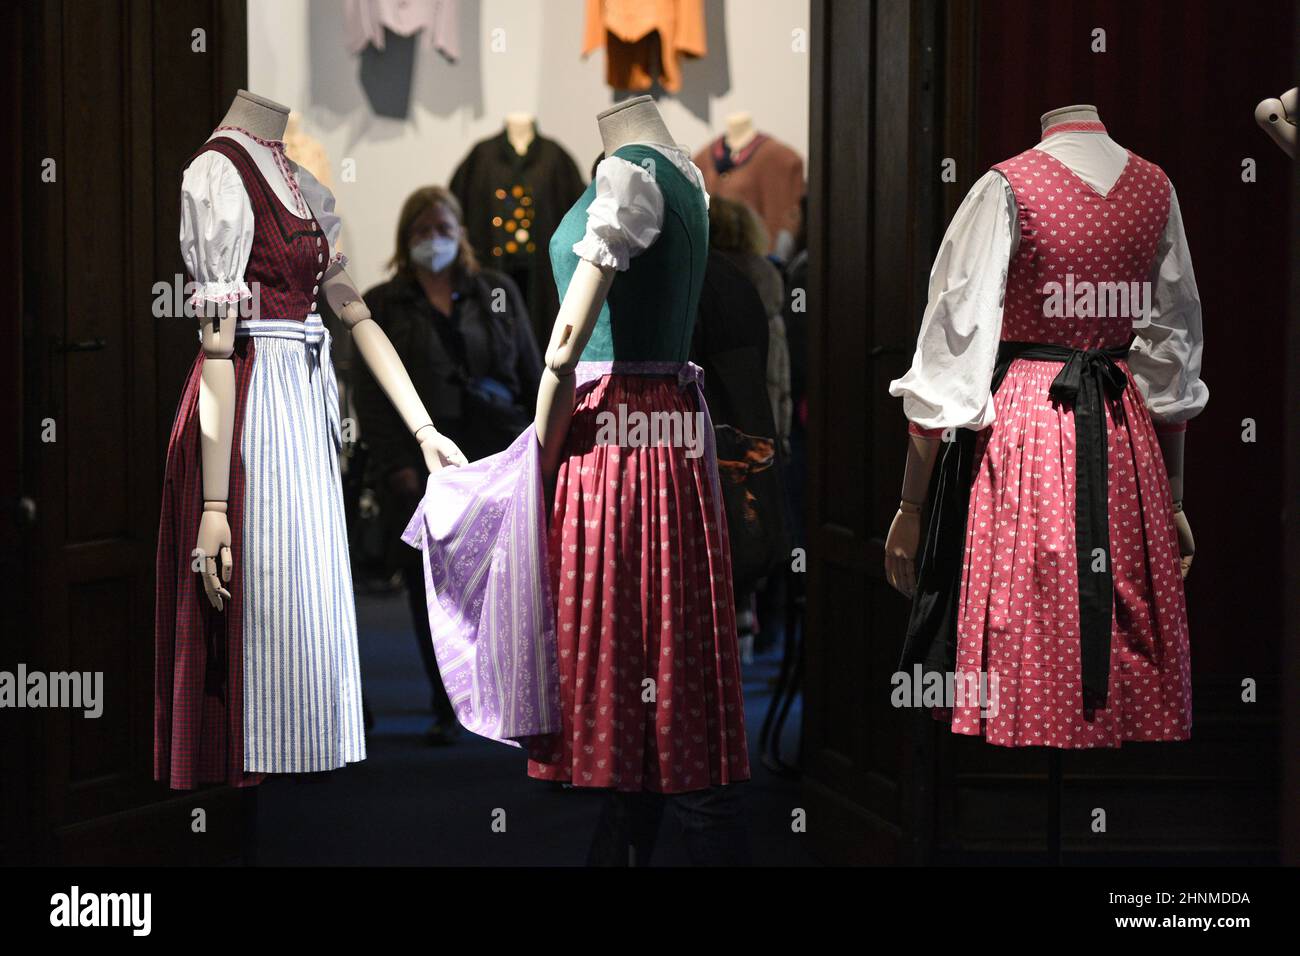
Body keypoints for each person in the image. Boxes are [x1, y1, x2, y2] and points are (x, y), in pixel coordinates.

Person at [353, 185, 543, 743]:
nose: (433, 240)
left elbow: (532, 373)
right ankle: (448, 703)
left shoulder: (496, 292)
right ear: (404, 240)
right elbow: (371, 396)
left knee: (508, 581)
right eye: (421, 231)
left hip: (497, 452)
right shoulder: (384, 303)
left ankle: (509, 699)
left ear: (462, 234)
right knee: (433, 588)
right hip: (424, 467)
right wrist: (396, 464)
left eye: (443, 228)